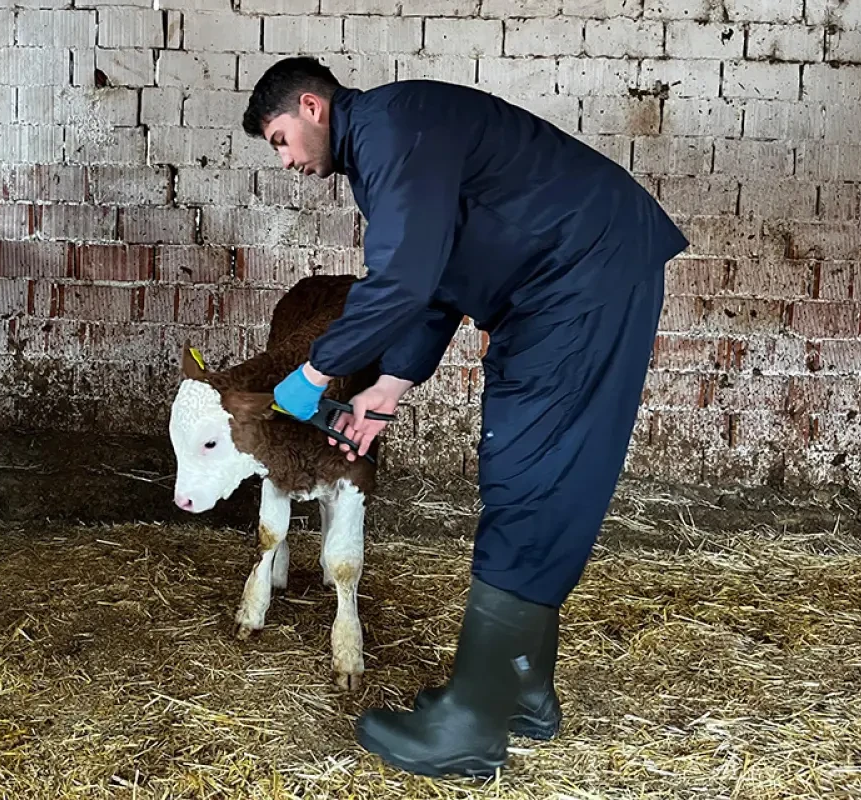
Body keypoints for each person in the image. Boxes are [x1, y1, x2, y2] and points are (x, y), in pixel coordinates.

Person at [243, 57, 688, 779]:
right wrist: (388, 383)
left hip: (578, 280)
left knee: (527, 474)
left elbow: (402, 281)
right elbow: (438, 277)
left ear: (310, 106)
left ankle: (472, 727)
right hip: (573, 278)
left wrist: (316, 370)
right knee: (528, 473)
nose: (287, 160)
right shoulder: (394, 141)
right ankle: (519, 689)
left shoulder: (390, 132)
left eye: (280, 139)